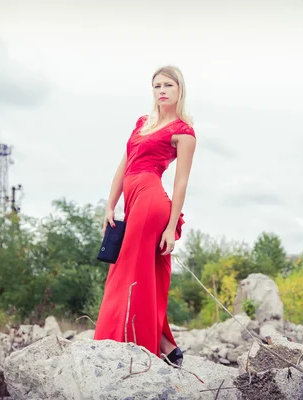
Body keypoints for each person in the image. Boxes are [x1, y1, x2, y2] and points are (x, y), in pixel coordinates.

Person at [93, 65, 197, 367]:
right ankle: (164, 344)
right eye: (156, 86)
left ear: (180, 90)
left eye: (168, 85)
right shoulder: (142, 123)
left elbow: (180, 182)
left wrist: (170, 228)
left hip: (152, 203)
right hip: (131, 201)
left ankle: (122, 344)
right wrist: (110, 206)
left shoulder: (184, 132)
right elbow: (123, 166)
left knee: (126, 272)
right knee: (141, 273)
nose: (162, 91)